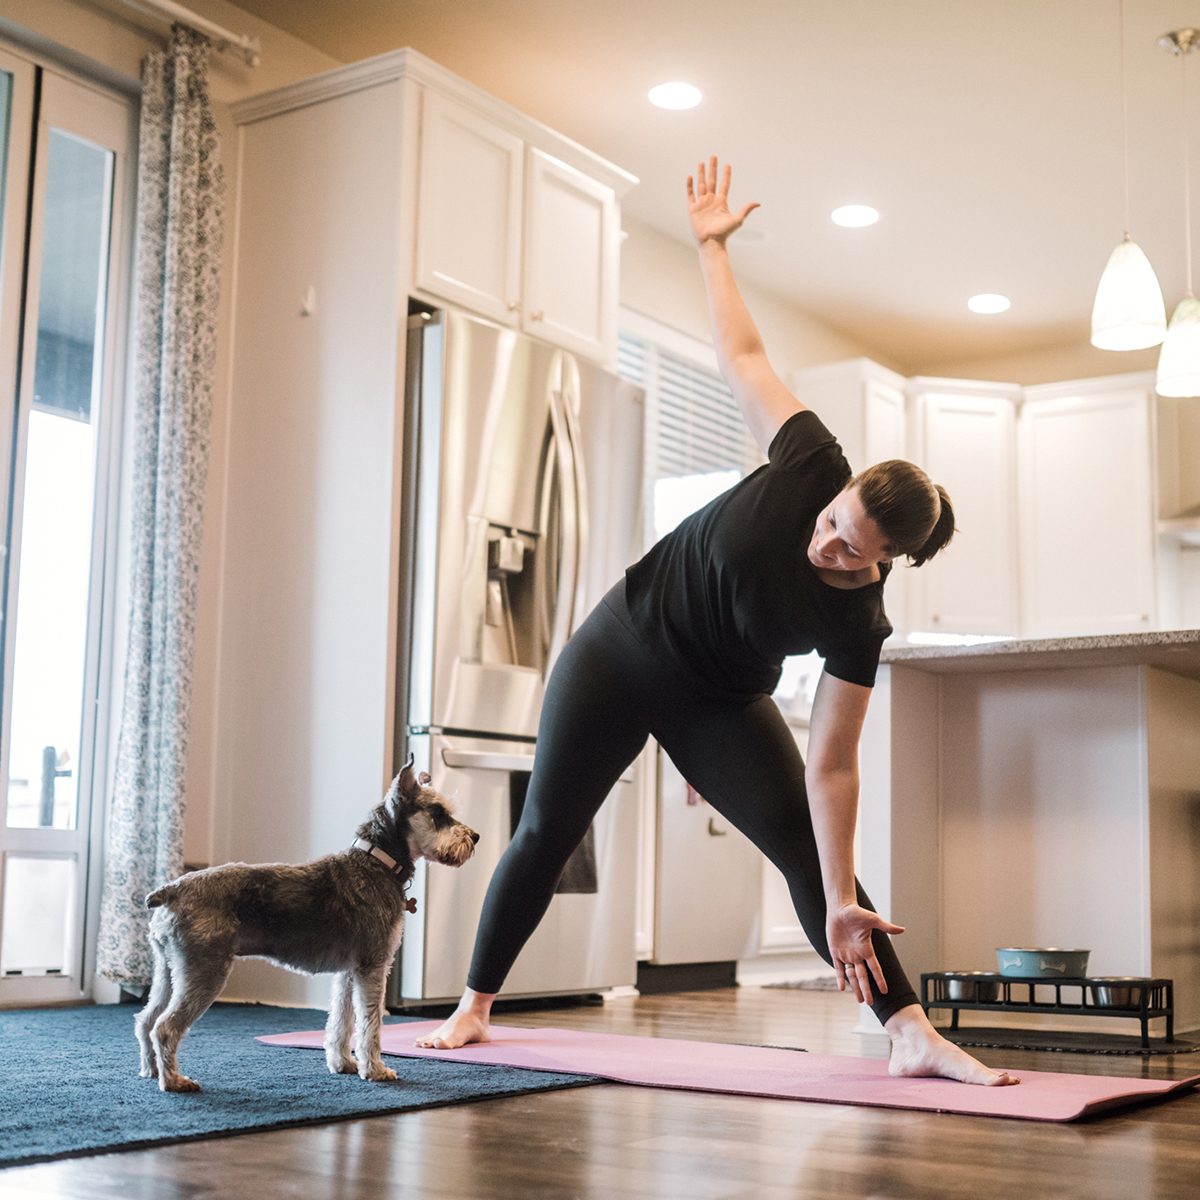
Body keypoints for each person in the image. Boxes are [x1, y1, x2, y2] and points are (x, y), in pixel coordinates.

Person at [417, 156, 1016, 1087]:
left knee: (808, 859)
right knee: (546, 829)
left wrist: (840, 889)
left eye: (853, 551)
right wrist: (709, 246)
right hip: (620, 648)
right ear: (839, 488)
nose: (828, 546)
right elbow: (743, 356)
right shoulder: (811, 455)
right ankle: (474, 1005)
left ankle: (908, 1031)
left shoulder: (863, 631)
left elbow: (833, 765)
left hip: (720, 701)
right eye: (832, 523)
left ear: (886, 561)